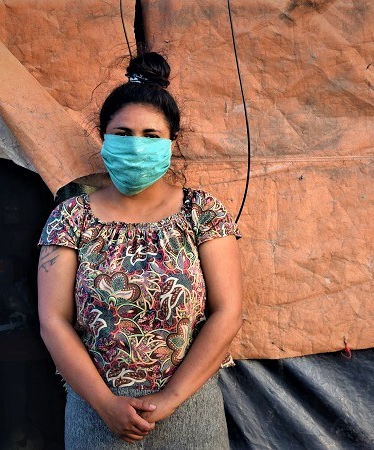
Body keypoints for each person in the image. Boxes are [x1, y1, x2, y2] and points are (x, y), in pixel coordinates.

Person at [37, 51, 243, 449]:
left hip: (190, 408)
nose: (135, 147)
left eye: (151, 136)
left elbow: (228, 311)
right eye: (122, 134)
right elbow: (53, 319)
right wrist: (104, 403)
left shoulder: (203, 212)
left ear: (171, 143)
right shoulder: (71, 218)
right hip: (96, 411)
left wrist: (169, 399)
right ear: (103, 137)